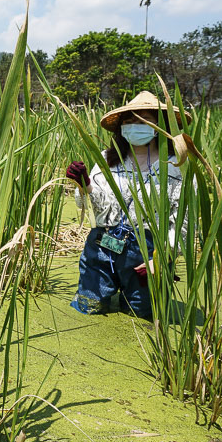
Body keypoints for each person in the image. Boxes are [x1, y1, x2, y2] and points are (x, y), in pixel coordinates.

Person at [65, 91, 189, 320]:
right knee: (87, 306)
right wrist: (85, 186)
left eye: (143, 121)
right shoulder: (107, 160)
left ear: (160, 127)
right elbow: (95, 207)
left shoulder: (176, 166)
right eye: (129, 121)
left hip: (147, 253)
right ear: (121, 128)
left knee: (143, 314)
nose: (135, 126)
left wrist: (163, 257)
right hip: (103, 244)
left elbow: (183, 219)